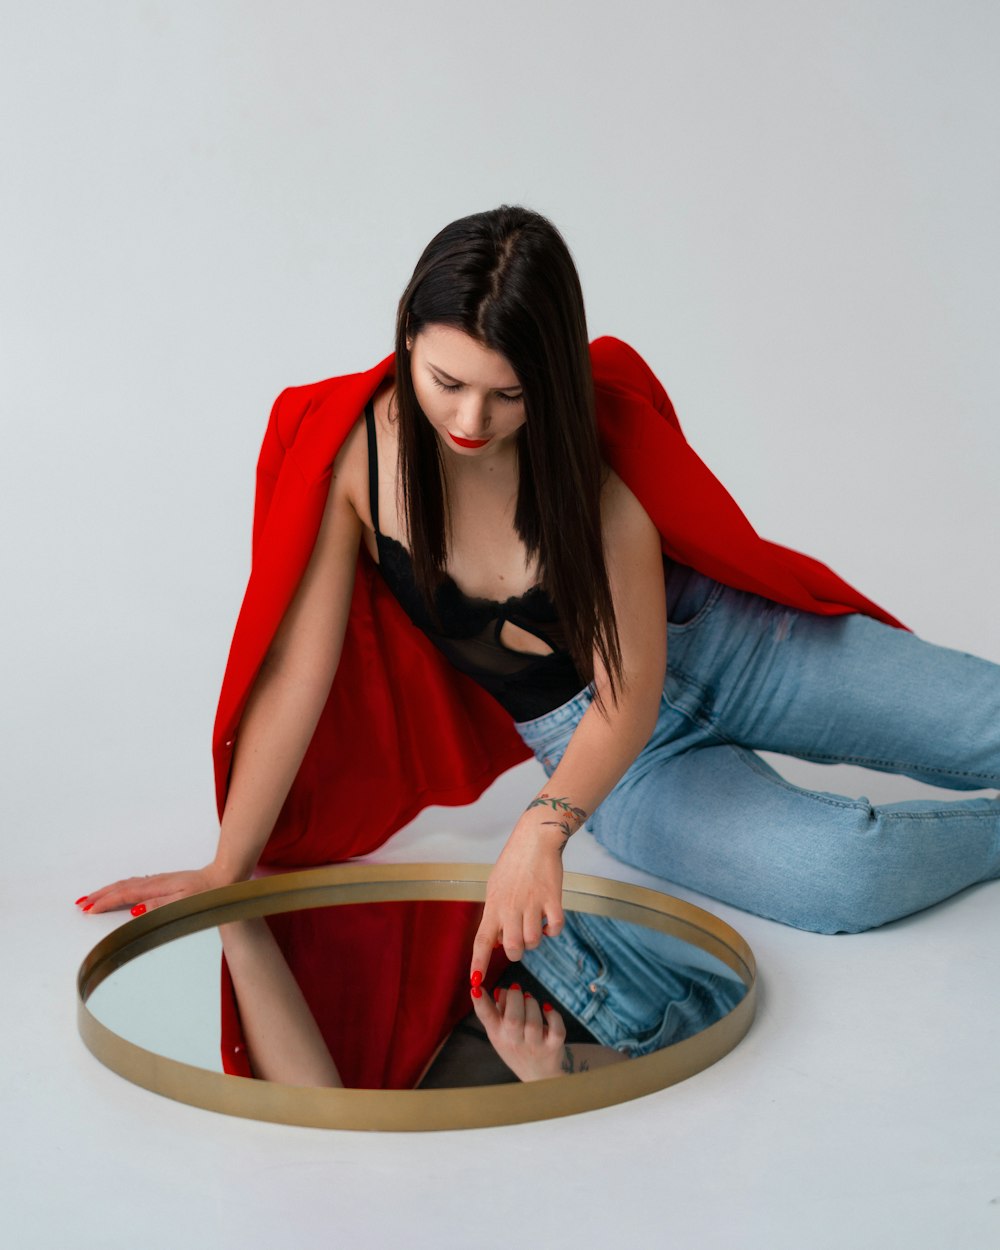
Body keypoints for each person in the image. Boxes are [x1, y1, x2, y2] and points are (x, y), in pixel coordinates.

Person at [79, 205, 1000, 1030]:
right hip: (621, 763)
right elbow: (298, 672)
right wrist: (225, 864)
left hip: (739, 648)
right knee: (841, 875)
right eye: (446, 381)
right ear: (406, 335)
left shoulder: (591, 453)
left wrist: (542, 828)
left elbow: (631, 684)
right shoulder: (356, 459)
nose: (472, 417)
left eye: (508, 392)